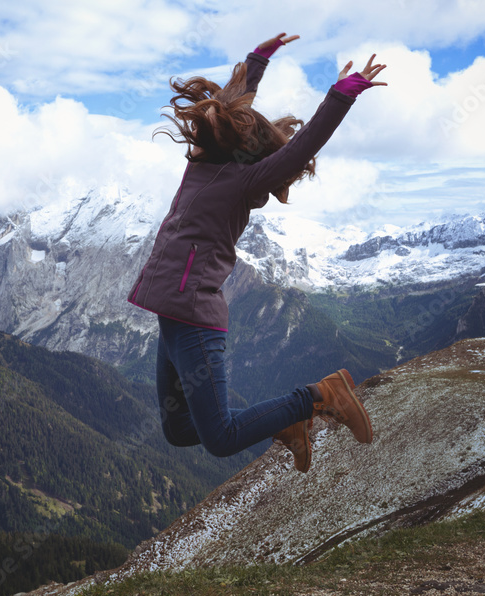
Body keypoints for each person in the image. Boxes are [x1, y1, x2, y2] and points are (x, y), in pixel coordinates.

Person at [128, 32, 384, 473]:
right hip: (170, 313)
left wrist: (342, 95)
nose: (220, 124)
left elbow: (305, 145)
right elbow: (227, 107)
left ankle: (321, 396)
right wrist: (256, 61)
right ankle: (285, 425)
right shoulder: (204, 161)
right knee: (178, 429)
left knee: (223, 438)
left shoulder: (245, 183)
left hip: (193, 316)